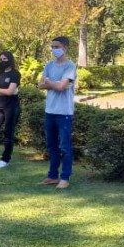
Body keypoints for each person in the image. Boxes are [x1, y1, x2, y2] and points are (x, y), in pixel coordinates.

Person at [38, 36, 77, 189]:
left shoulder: (70, 67)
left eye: (57, 46)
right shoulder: (49, 65)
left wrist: (49, 82)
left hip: (64, 112)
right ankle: (52, 176)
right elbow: (40, 85)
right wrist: (55, 83)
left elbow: (61, 87)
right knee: (51, 146)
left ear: (65, 47)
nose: (54, 49)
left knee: (65, 146)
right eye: (53, 47)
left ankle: (65, 177)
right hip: (50, 110)